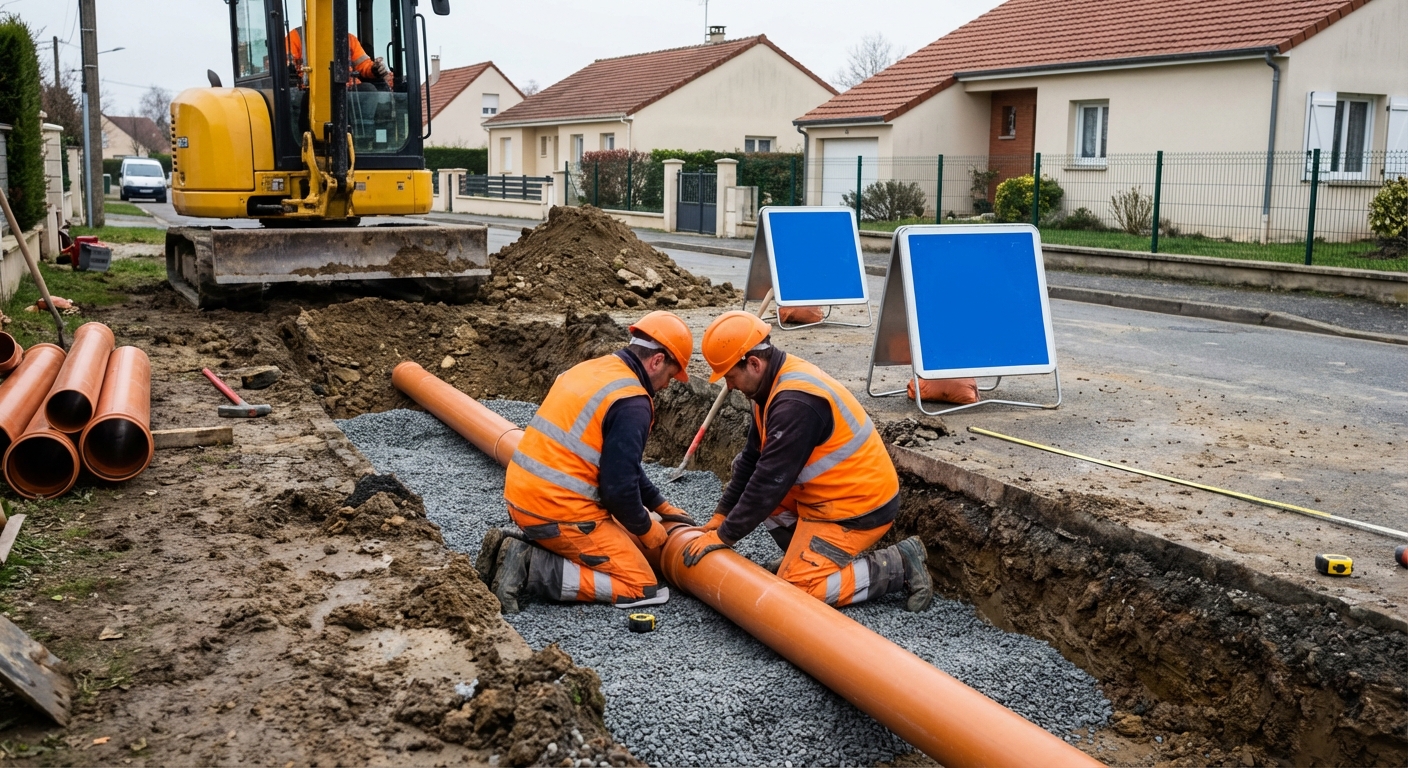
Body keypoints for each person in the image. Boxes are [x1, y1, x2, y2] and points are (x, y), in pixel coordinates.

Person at [681, 311, 933, 612]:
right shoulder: (768, 387)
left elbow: (768, 484)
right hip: (829, 495)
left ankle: (899, 564)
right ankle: (804, 558)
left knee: (799, 591)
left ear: (753, 363)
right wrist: (721, 516)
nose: (730, 386)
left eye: (730, 377)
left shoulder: (795, 403)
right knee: (744, 471)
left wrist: (724, 537)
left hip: (858, 507)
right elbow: (752, 460)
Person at [479, 311, 699, 613]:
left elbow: (622, 467)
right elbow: (618, 490)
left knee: (621, 543)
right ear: (657, 360)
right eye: (671, 376)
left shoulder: (593, 369)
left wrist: (660, 505)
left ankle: (518, 547)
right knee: (643, 586)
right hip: (558, 511)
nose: (666, 386)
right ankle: (530, 567)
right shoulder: (632, 402)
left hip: (523, 498)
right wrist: (646, 528)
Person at [286, 26, 390, 90]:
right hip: (311, 90)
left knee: (368, 90)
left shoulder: (349, 39)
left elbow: (364, 65)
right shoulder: (296, 37)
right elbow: (286, 65)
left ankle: (367, 126)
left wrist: (374, 69)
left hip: (348, 89)